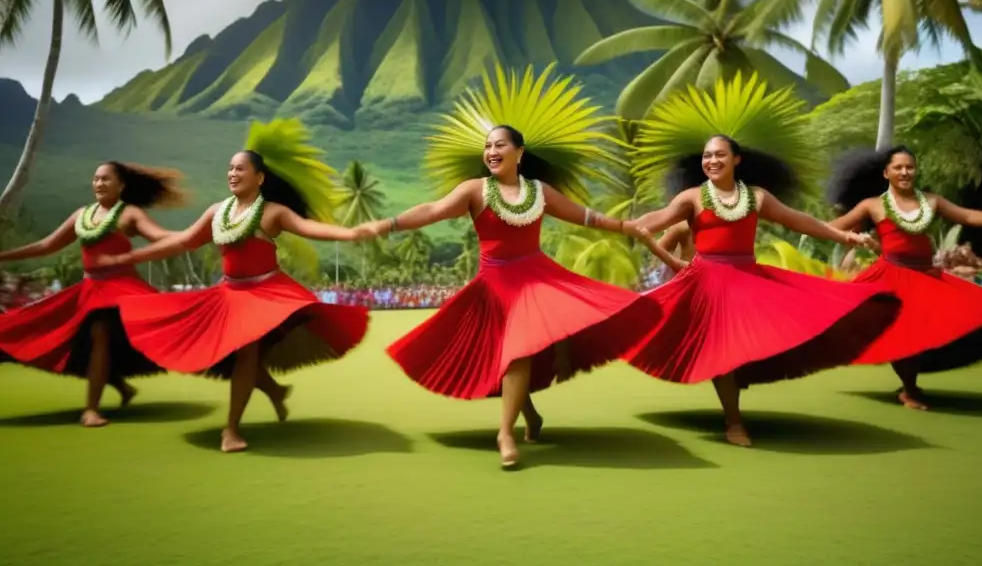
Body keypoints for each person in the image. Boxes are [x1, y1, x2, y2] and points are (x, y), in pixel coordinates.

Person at [360, 124, 661, 469]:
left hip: (536, 279)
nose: (491, 151)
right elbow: (432, 211)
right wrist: (388, 224)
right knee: (509, 358)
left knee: (520, 350)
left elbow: (586, 216)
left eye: (499, 145)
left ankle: (505, 433)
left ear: (519, 152)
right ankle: (530, 415)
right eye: (487, 146)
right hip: (494, 285)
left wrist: (625, 226)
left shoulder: (540, 192)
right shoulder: (474, 190)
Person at [93, 119, 371, 452]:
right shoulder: (216, 212)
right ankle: (275, 392)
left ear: (260, 177)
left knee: (246, 353)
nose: (233, 174)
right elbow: (182, 242)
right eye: (230, 169)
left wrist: (352, 233)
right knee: (237, 358)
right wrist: (130, 259)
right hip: (229, 293)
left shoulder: (272, 213)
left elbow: (311, 228)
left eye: (240, 169)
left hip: (266, 294)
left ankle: (232, 430)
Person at [625, 135, 900, 448]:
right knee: (723, 352)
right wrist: (619, 224)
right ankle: (734, 421)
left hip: (748, 279)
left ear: (736, 160)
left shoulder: (757, 197)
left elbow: (800, 221)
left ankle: (736, 402)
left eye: (719, 155)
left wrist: (844, 237)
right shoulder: (693, 197)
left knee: (751, 345)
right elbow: (655, 219)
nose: (712, 161)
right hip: (708, 284)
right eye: (707, 156)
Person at [827, 145, 982, 409]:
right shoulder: (872, 206)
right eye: (898, 167)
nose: (905, 172)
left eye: (909, 167)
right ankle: (910, 390)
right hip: (891, 277)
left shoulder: (931, 201)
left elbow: (967, 216)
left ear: (916, 170)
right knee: (904, 333)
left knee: (972, 314)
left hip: (926, 276)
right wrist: (844, 235)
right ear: (886, 173)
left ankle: (912, 384)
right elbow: (831, 228)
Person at [0, 161, 186, 426]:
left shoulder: (129, 214)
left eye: (106, 179)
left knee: (100, 332)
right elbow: (46, 245)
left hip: (121, 291)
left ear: (120, 185)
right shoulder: (82, 215)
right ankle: (122, 387)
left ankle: (91, 410)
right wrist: (3, 256)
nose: (99, 184)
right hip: (90, 290)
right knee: (79, 342)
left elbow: (161, 236)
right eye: (96, 179)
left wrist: (203, 231)